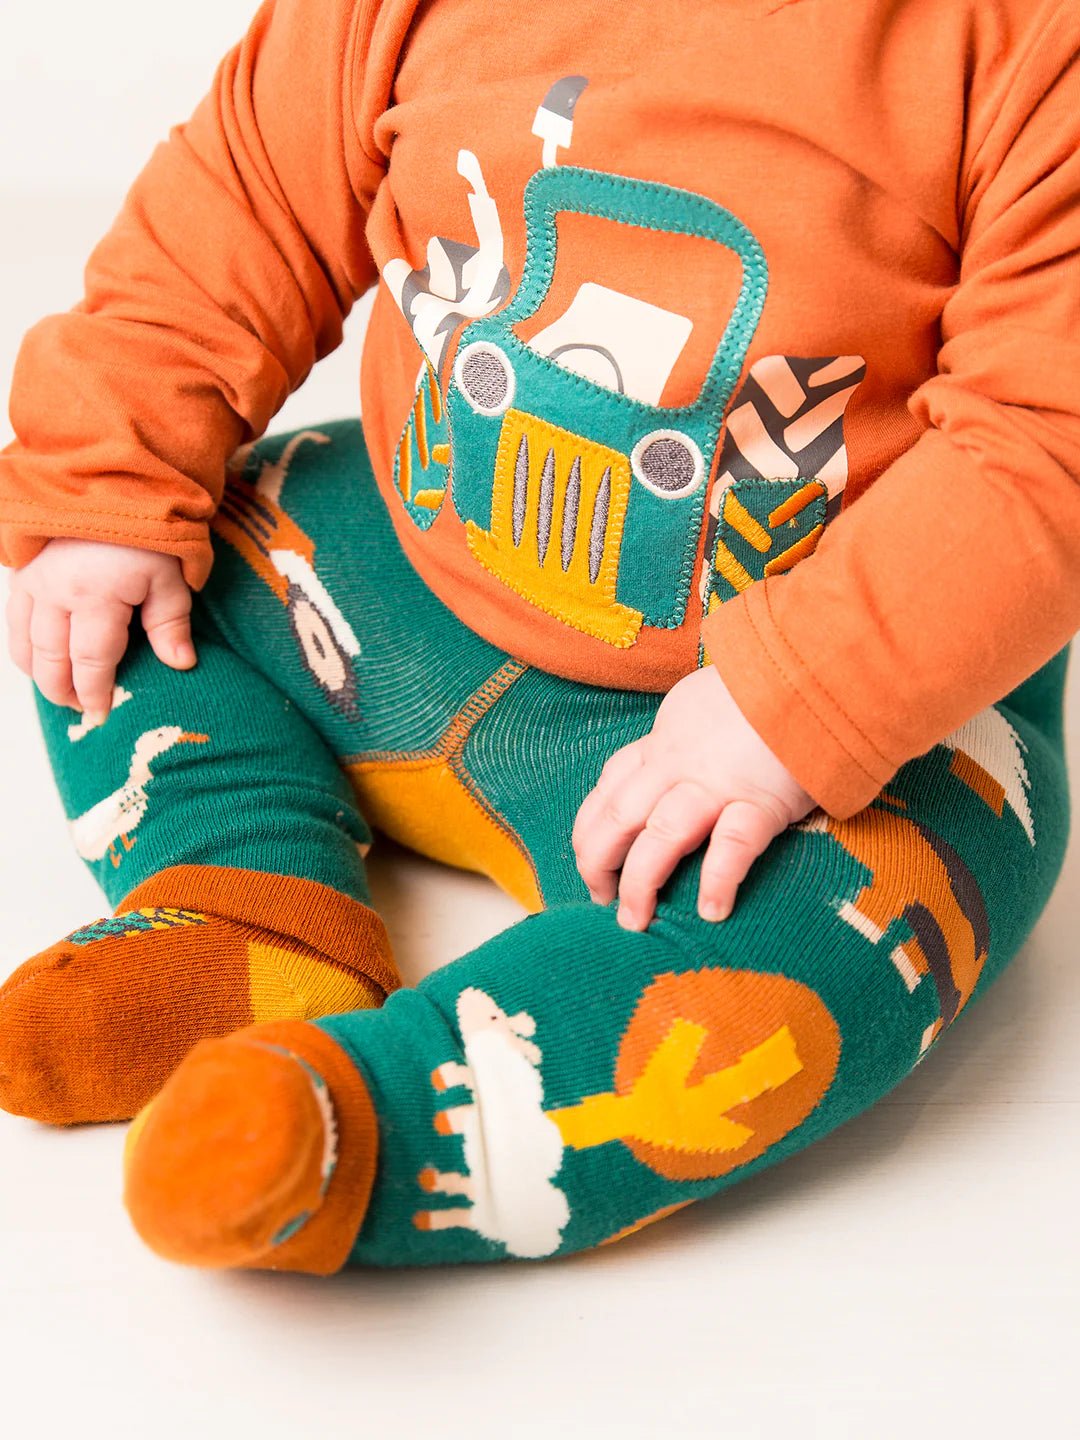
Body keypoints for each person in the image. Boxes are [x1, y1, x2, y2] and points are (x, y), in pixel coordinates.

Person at [1, 0, 1077, 1273]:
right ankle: (244, 904)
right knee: (121, 563)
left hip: (790, 724)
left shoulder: (1025, 46)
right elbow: (244, 202)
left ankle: (380, 1129)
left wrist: (795, 701)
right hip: (412, 595)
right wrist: (112, 462)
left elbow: (1041, 441)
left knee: (901, 894)